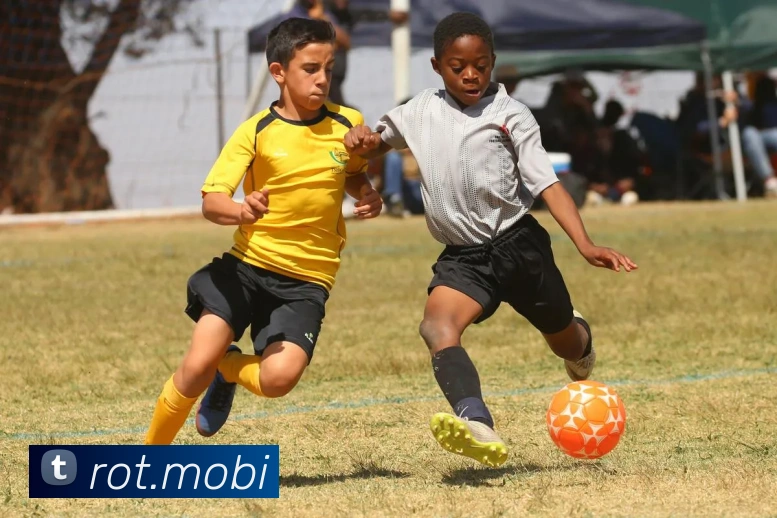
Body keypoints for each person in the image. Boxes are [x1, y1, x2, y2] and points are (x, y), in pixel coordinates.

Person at [344, 12, 637, 467]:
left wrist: (586, 244)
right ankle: (477, 421)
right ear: (437, 65)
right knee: (436, 327)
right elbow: (378, 142)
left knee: (567, 345)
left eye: (481, 64)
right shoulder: (418, 110)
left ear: (493, 62)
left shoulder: (512, 116)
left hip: (518, 247)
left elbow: (549, 185)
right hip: (464, 258)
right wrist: (363, 139)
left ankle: (581, 339)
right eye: (458, 65)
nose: (471, 74)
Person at [144, 18, 383, 445]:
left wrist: (367, 191)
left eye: (329, 67)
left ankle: (228, 368)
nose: (323, 79)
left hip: (308, 281)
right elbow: (211, 201)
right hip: (247, 269)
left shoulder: (349, 122)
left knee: (277, 380)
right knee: (195, 366)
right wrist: (242, 211)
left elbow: (352, 173)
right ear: (279, 73)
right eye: (310, 69)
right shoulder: (255, 131)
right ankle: (149, 461)